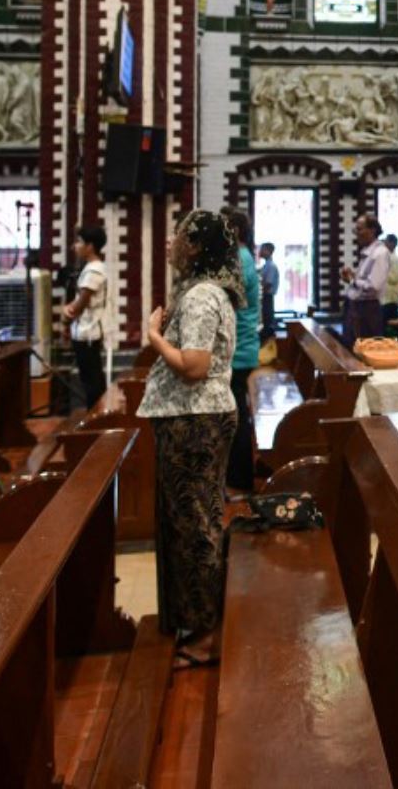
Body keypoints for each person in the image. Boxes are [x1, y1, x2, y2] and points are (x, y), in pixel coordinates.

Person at [139, 210, 241, 668]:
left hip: (196, 419)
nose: (172, 243)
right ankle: (195, 620)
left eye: (179, 235)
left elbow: (195, 365)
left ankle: (207, 635)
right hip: (193, 417)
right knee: (190, 520)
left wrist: (153, 336)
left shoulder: (201, 296)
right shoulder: (206, 291)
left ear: (197, 247)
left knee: (196, 524)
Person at [220, 208, 262, 495]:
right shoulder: (241, 257)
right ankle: (237, 474)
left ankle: (240, 478)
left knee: (236, 418)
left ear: (233, 231)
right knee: (236, 415)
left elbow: (226, 303)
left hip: (240, 350)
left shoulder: (239, 259)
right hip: (242, 348)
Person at [62, 225, 110, 412]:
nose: (75, 246)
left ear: (90, 246)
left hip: (87, 333)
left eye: (79, 242)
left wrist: (66, 314)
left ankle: (95, 418)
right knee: (92, 379)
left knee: (92, 382)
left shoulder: (93, 271)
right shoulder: (92, 268)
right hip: (86, 332)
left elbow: (79, 305)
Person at [340, 214, 390, 341]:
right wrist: (352, 276)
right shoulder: (368, 251)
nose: (356, 233)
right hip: (357, 309)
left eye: (359, 229)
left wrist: (352, 280)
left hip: (366, 311)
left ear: (372, 230)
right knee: (350, 350)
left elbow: (374, 286)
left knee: (363, 352)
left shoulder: (380, 253)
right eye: (355, 230)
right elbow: (364, 280)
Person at [379, 234, 398, 324]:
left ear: (392, 244)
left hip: (391, 300)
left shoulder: (396, 260)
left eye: (386, 242)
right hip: (384, 300)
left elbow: (394, 279)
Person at [256, 241, 278, 341]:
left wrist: (259, 295)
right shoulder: (266, 265)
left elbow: (268, 284)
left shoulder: (271, 266)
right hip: (266, 296)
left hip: (267, 297)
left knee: (267, 320)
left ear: (269, 251)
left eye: (262, 249)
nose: (260, 251)